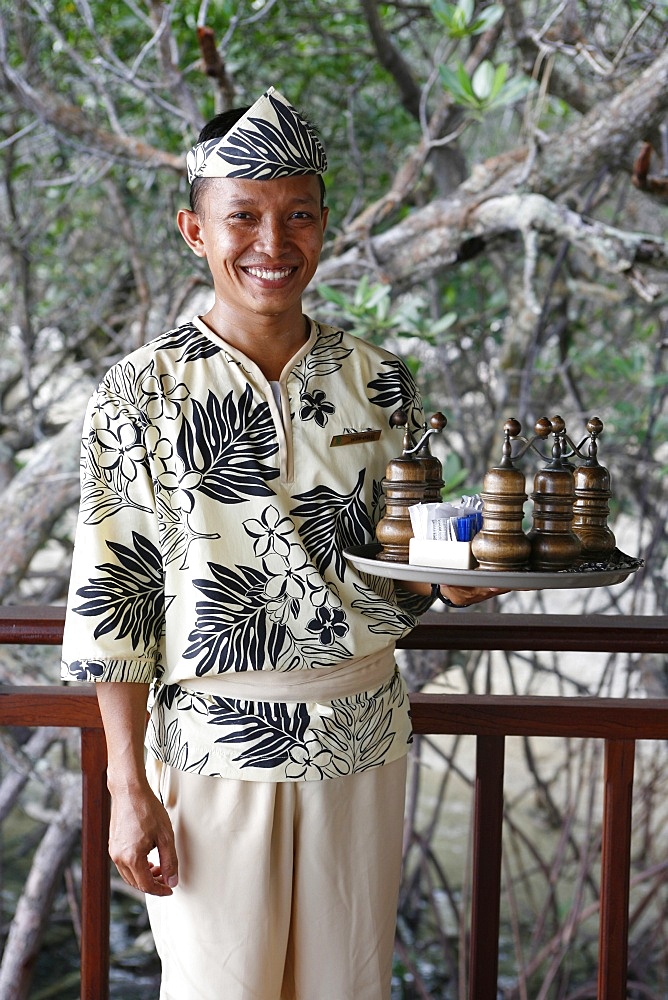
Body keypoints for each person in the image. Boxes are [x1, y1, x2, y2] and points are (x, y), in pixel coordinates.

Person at [61, 86, 501, 1000]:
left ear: (325, 225)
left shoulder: (380, 381)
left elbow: (407, 552)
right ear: (194, 230)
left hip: (362, 741)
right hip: (212, 752)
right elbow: (114, 599)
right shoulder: (139, 390)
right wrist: (126, 787)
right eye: (244, 217)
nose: (273, 243)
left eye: (298, 215)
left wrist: (456, 579)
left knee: (348, 988)